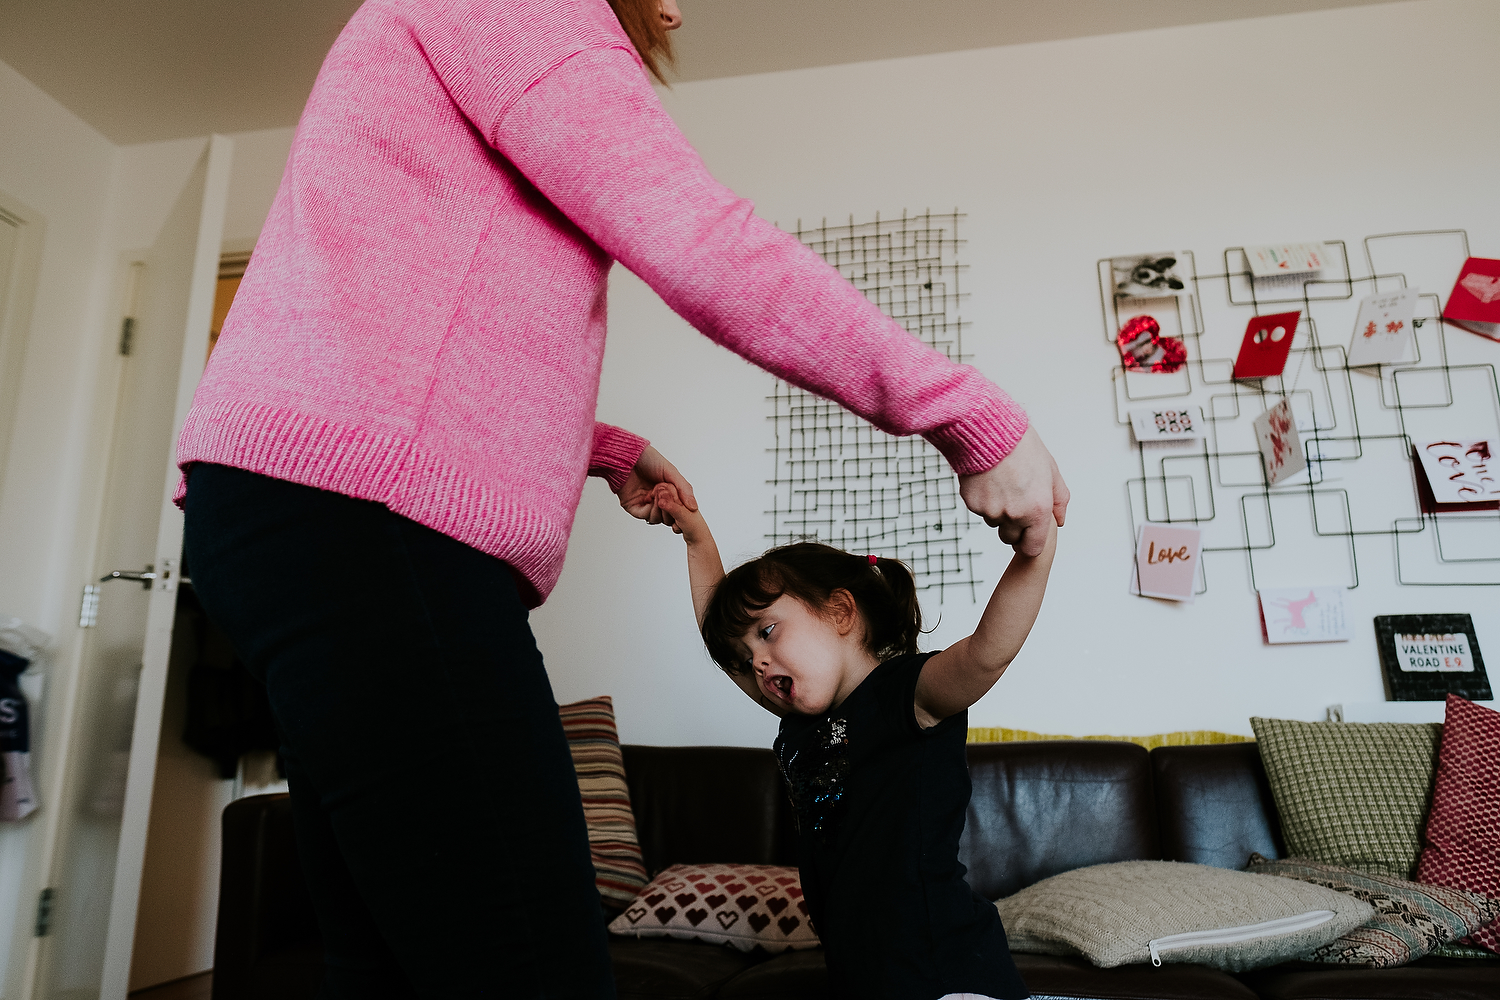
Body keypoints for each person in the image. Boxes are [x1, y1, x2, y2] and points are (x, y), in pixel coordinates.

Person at [177, 0, 1068, 996]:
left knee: (392, 963)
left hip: (297, 512)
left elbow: (398, 317)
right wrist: (967, 414)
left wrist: (596, 448)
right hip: (367, 522)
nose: (677, 8)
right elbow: (701, 242)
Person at [652, 483, 1056, 1000]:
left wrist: (1034, 552)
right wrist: (696, 538)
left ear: (841, 613)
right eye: (745, 654)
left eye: (768, 631)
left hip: (943, 970)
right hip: (861, 972)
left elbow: (985, 654)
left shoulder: (906, 696)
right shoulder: (798, 722)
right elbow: (721, 638)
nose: (755, 662)